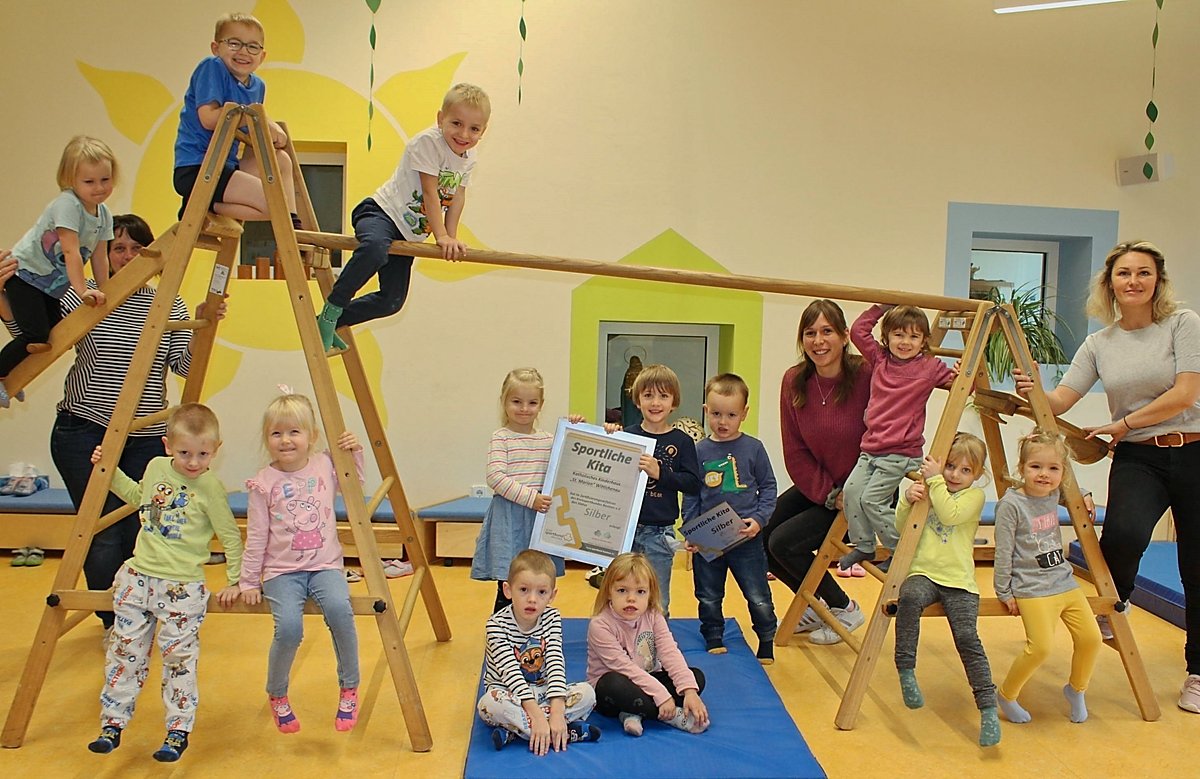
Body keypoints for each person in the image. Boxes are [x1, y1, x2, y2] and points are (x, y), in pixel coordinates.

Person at [1, 215, 223, 627]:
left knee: (141, 530)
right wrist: (3, 292)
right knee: (101, 533)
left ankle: (138, 614)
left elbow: (184, 366)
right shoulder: (82, 297)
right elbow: (33, 340)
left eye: (138, 249)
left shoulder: (167, 303)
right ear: (101, 254)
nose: (128, 257)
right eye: (118, 248)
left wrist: (203, 325)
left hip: (145, 436)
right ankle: (116, 622)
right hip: (84, 430)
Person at [1013, 239, 1200, 714]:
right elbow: (1060, 403)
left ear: (1157, 280)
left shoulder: (1183, 323)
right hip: (1139, 458)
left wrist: (1124, 423)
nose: (1133, 281)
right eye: (1123, 273)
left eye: (1143, 273)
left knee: (1196, 567)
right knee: (1121, 535)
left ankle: (1197, 672)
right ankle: (1116, 608)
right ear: (1109, 283)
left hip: (1194, 450)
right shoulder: (1100, 343)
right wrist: (1034, 386)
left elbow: (1184, 395)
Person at [86, 403, 243, 762]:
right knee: (125, 653)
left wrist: (236, 580)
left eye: (203, 454)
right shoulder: (156, 467)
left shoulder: (210, 487)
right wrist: (106, 469)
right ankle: (112, 723)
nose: (193, 462)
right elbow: (136, 497)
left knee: (179, 659)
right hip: (139, 578)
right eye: (185, 452)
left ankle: (178, 730)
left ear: (215, 450)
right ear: (167, 444)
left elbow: (230, 537)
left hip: (182, 588)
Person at [316, 83, 490, 353]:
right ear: (440, 118)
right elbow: (431, 194)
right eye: (456, 123)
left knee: (391, 301)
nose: (464, 134)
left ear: (483, 131)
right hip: (382, 214)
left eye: (474, 129)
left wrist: (452, 236)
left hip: (407, 232)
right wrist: (441, 235)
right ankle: (331, 310)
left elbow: (457, 197)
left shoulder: (470, 157)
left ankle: (330, 321)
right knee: (374, 250)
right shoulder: (427, 143)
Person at [238, 391, 364, 734]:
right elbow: (257, 537)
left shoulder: (325, 464)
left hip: (325, 566)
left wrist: (354, 451)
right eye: (276, 433)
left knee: (340, 611)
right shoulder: (263, 484)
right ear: (267, 439)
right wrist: (248, 581)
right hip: (282, 572)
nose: (286, 440)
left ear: (312, 437)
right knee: (289, 629)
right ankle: (277, 693)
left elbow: (357, 483)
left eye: (294, 432)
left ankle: (349, 687)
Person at [763, 300, 871, 645]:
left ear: (843, 336)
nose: (818, 341)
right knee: (759, 538)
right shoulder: (794, 381)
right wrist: (828, 493)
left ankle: (844, 607)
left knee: (784, 543)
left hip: (864, 491)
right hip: (822, 490)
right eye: (810, 333)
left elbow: (887, 431)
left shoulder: (866, 374)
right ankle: (821, 601)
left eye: (827, 331)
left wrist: (850, 493)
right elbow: (795, 451)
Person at [893, 433, 1000, 747]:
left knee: (967, 637)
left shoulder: (973, 498)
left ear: (978, 475)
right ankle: (906, 672)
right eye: (950, 466)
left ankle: (988, 709)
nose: (954, 475)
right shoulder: (931, 489)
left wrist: (934, 481)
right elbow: (903, 528)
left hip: (960, 581)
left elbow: (949, 515)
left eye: (965, 470)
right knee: (909, 598)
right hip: (924, 573)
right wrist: (906, 499)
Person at [993, 430, 1103, 725]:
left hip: (1064, 582)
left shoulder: (1056, 493)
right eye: (1035, 467)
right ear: (1022, 469)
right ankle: (1006, 694)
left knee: (1092, 639)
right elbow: (1003, 552)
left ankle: (1076, 690)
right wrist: (1004, 591)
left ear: (1062, 472)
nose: (1044, 474)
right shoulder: (1011, 505)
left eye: (1053, 468)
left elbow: (1072, 484)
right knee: (1040, 647)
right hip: (1032, 588)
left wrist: (1086, 493)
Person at [839, 304, 956, 572]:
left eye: (914, 337)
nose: (905, 342)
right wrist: (883, 305)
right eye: (899, 335)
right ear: (887, 337)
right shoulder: (881, 360)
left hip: (900, 452)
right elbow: (858, 330)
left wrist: (963, 373)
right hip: (870, 448)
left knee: (872, 500)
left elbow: (963, 386)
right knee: (851, 493)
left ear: (924, 341)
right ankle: (864, 545)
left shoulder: (929, 367)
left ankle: (899, 548)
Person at [0, 136, 115, 407]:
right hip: (25, 275)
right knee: (35, 333)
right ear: (70, 180)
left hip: (48, 286)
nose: (99, 188)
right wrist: (83, 290)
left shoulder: (104, 214)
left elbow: (100, 256)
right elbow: (71, 251)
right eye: (89, 182)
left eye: (105, 180)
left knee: (53, 335)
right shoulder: (67, 205)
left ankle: (13, 374)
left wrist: (107, 288)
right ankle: (3, 372)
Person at [682, 373, 778, 663]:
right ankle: (713, 634)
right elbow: (691, 494)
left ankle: (766, 637)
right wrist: (691, 531)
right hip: (709, 539)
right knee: (708, 594)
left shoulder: (754, 448)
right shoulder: (697, 451)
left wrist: (759, 520)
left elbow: (769, 487)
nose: (723, 422)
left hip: (746, 536)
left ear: (744, 414)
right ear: (705, 411)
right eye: (716, 414)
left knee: (757, 593)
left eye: (731, 415)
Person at [173, 12, 297, 223]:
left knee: (281, 160)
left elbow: (250, 133)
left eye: (252, 47)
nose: (243, 52)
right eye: (234, 43)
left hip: (227, 165)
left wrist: (272, 132)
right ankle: (199, 202)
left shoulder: (257, 86)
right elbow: (209, 119)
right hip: (199, 168)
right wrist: (261, 119)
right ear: (216, 48)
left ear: (262, 56)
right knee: (274, 204)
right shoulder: (212, 67)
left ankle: (293, 224)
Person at [471, 368, 577, 612]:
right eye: (516, 401)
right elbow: (495, 477)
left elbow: (568, 462)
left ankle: (534, 632)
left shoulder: (549, 439)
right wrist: (531, 499)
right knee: (510, 583)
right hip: (510, 519)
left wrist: (575, 429)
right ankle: (502, 636)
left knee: (539, 582)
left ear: (541, 405)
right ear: (504, 402)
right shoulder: (502, 437)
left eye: (532, 402)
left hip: (539, 520)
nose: (524, 408)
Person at [477, 549, 600, 753]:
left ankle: (517, 731)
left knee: (588, 694)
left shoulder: (552, 618)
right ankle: (563, 733)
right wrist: (537, 716)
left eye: (541, 592)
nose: (532, 599)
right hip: (509, 693)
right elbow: (511, 673)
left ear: (552, 595)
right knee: (488, 706)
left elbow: (554, 661)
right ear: (508, 590)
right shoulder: (496, 625)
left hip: (544, 692)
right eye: (524, 590)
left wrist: (558, 711)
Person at [607, 364, 702, 617]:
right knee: (622, 596)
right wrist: (609, 435)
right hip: (625, 531)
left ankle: (655, 651)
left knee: (657, 600)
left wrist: (662, 474)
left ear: (674, 402)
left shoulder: (682, 442)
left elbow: (693, 483)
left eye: (663, 395)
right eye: (648, 395)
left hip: (660, 533)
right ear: (637, 401)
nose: (655, 402)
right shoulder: (628, 436)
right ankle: (623, 647)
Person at [587, 553, 709, 737]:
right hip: (615, 688)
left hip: (648, 678)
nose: (631, 599)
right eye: (622, 590)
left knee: (695, 677)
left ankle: (633, 712)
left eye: (640, 592)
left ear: (650, 594)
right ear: (608, 592)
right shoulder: (600, 625)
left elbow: (669, 652)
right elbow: (624, 668)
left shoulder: (653, 615)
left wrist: (689, 691)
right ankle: (671, 716)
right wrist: (663, 697)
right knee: (611, 684)